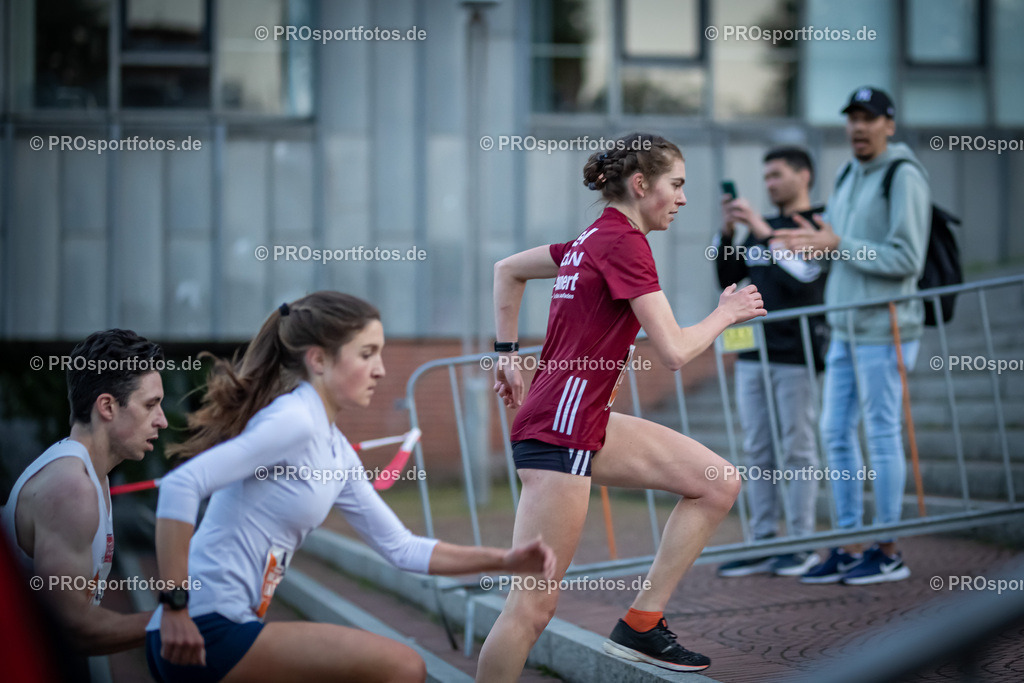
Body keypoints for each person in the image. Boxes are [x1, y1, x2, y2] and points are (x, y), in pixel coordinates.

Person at [147, 291, 556, 683]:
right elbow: (180, 485)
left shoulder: (336, 450)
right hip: (201, 631)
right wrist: (176, 608)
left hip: (232, 625)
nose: (380, 369)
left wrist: (504, 560)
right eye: (366, 354)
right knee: (402, 667)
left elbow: (402, 547)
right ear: (318, 360)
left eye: (379, 353)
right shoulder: (295, 419)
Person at [475, 133, 766, 680]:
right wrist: (726, 313)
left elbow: (506, 270)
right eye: (676, 185)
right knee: (531, 608)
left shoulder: (591, 239)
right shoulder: (624, 244)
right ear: (640, 184)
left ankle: (641, 623)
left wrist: (507, 353)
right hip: (560, 431)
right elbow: (675, 351)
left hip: (582, 422)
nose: (683, 199)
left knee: (717, 482)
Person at [774, 87, 930, 585]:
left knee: (880, 434)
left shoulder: (903, 175)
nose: (858, 127)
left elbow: (907, 258)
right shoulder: (845, 174)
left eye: (869, 118)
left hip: (885, 327)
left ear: (889, 124)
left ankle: (887, 549)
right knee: (834, 433)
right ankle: (847, 543)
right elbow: (838, 250)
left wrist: (839, 243)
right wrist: (815, 245)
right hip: (843, 328)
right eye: (852, 119)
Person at [1, 329, 167, 655]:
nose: (162, 420)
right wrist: (181, 621)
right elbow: (75, 627)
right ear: (107, 406)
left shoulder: (90, 474)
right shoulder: (71, 487)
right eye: (151, 405)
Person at [713, 147, 827, 578]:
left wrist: (762, 229)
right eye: (766, 177)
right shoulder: (758, 233)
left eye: (777, 175)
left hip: (796, 355)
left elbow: (806, 279)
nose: (770, 184)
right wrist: (727, 234)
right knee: (757, 449)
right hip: (751, 354)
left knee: (798, 449)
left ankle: (800, 543)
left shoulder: (816, 223)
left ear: (804, 175)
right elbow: (728, 279)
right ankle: (764, 541)